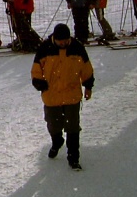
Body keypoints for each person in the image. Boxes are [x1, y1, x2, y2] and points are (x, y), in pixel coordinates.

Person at [31, 23, 94, 171]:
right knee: (53, 125)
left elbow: (86, 69)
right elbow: (36, 69)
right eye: (61, 41)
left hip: (72, 95)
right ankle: (57, 141)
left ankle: (73, 159)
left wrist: (88, 86)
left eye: (66, 40)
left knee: (72, 128)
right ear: (54, 39)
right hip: (51, 96)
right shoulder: (45, 48)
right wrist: (39, 83)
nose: (64, 43)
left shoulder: (77, 47)